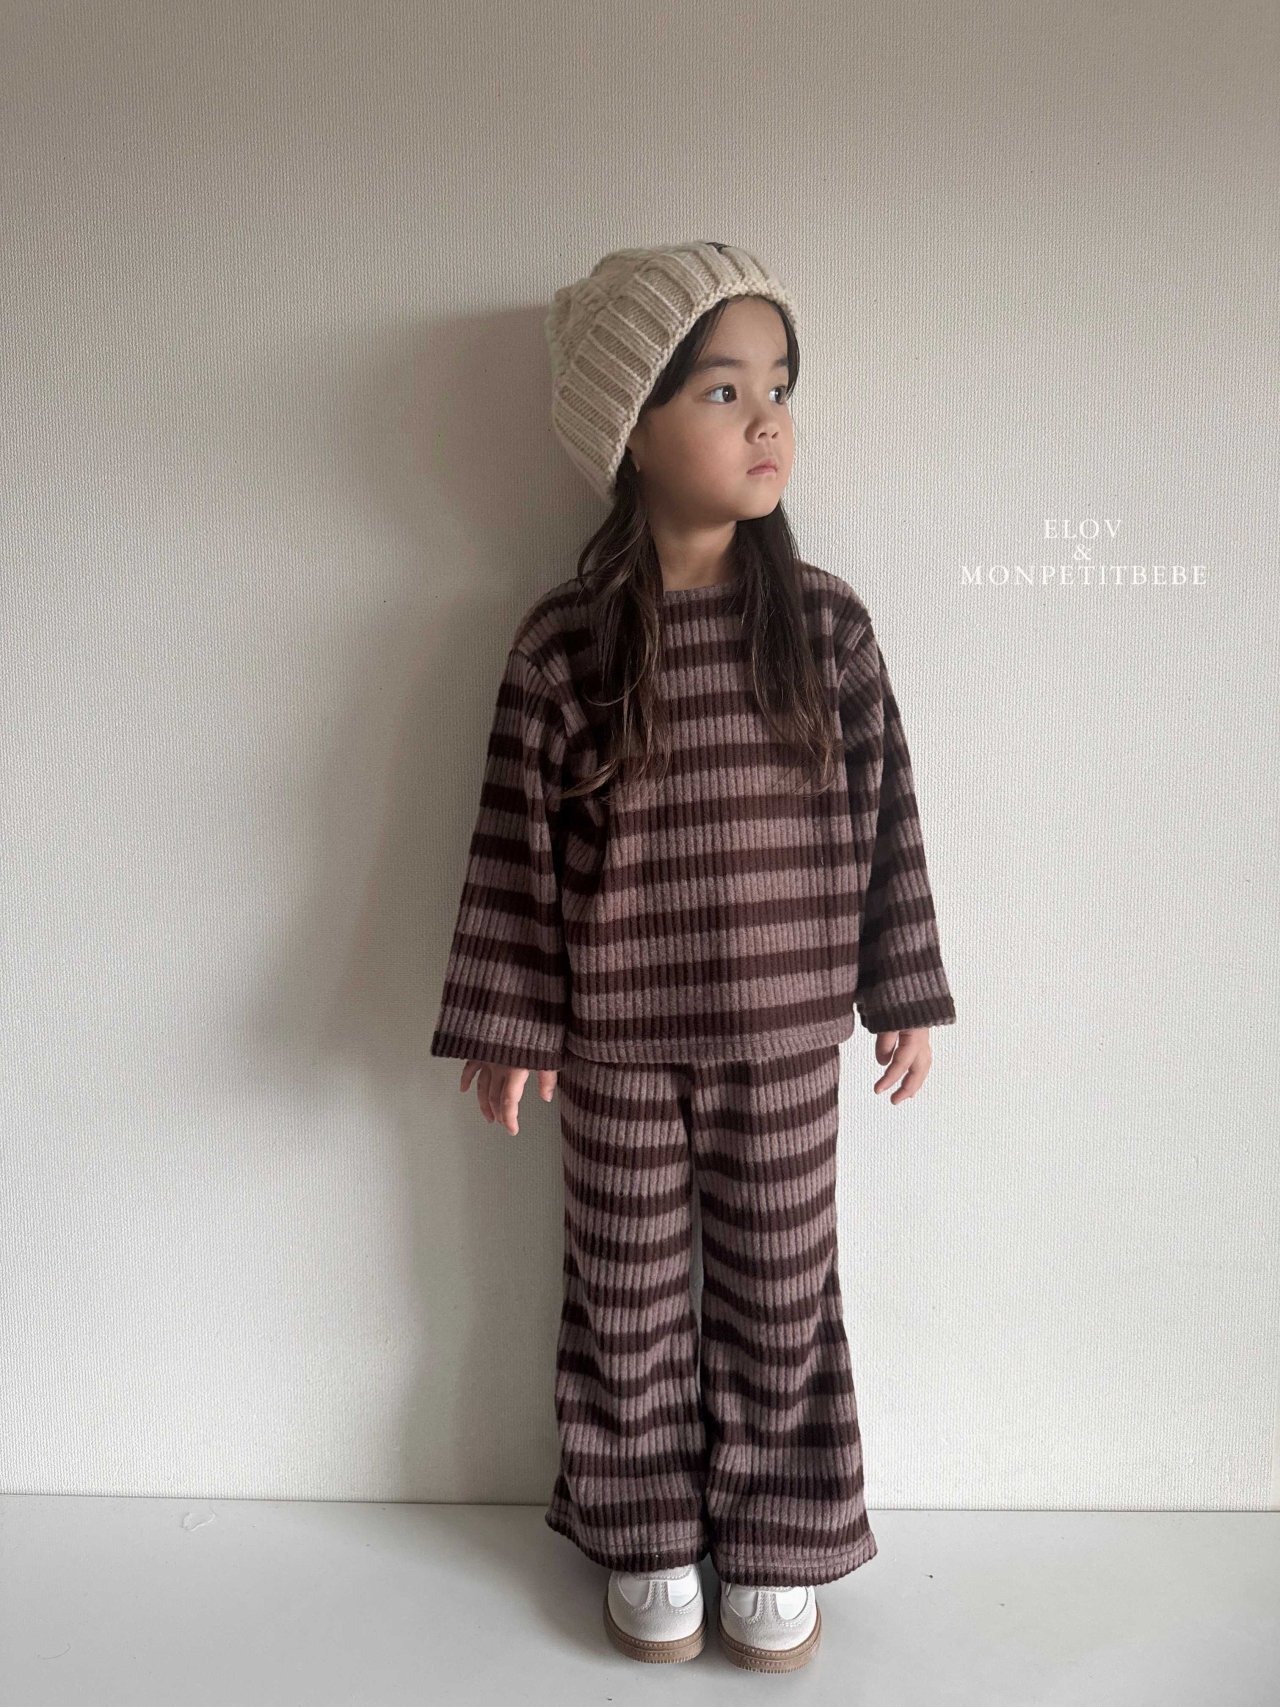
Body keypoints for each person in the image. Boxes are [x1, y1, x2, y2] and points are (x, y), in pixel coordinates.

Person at [429, 241, 956, 1671]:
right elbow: (514, 847)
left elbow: (887, 816)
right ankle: (646, 1526)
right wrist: (514, 1019)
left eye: (779, 385)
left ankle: (780, 1536)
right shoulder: (566, 647)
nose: (768, 419)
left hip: (784, 1040)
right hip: (615, 1046)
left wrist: (903, 989)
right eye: (724, 390)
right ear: (633, 427)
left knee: (783, 1294)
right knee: (629, 1293)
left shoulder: (825, 627)